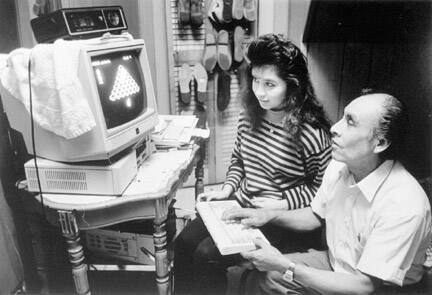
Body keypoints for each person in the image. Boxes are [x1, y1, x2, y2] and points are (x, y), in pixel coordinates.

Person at [223, 91, 432, 294]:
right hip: (337, 263)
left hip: (377, 288)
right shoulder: (339, 166)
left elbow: (364, 286)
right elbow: (316, 215)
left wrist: (285, 265)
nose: (334, 128)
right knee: (260, 276)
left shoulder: (404, 205)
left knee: (276, 271)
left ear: (381, 143)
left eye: (350, 122)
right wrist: (267, 216)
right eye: (342, 117)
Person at [174, 34, 332, 294]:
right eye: (256, 81)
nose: (259, 91)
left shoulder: (312, 133)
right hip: (241, 204)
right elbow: (239, 159)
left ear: (292, 85)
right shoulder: (250, 115)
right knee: (183, 243)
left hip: (281, 219)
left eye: (270, 84)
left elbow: (321, 191)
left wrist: (282, 202)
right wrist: (227, 188)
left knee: (205, 254)